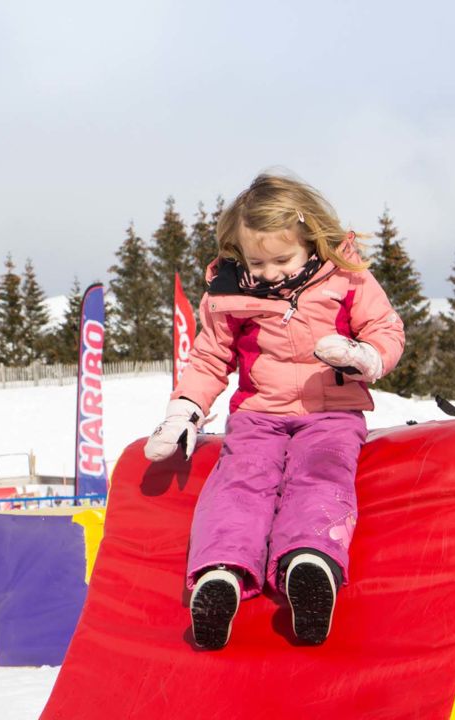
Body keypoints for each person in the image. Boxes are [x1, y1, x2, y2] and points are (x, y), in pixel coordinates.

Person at [143, 173, 405, 650]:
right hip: (258, 414)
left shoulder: (347, 278)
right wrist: (185, 410)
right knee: (239, 482)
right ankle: (220, 574)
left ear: (311, 240)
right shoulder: (229, 295)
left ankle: (310, 561)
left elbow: (386, 331)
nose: (269, 273)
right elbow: (209, 358)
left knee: (321, 477)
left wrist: (362, 356)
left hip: (331, 411)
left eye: (282, 259)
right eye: (257, 261)